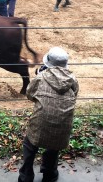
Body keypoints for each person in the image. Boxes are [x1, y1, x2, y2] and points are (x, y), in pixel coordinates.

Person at [18, 47, 78, 182]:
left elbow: (30, 94)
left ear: (48, 63)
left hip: (40, 125)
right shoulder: (73, 79)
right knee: (54, 146)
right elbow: (75, 94)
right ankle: (49, 173)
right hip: (62, 126)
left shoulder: (41, 77)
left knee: (29, 145)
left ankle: (26, 176)